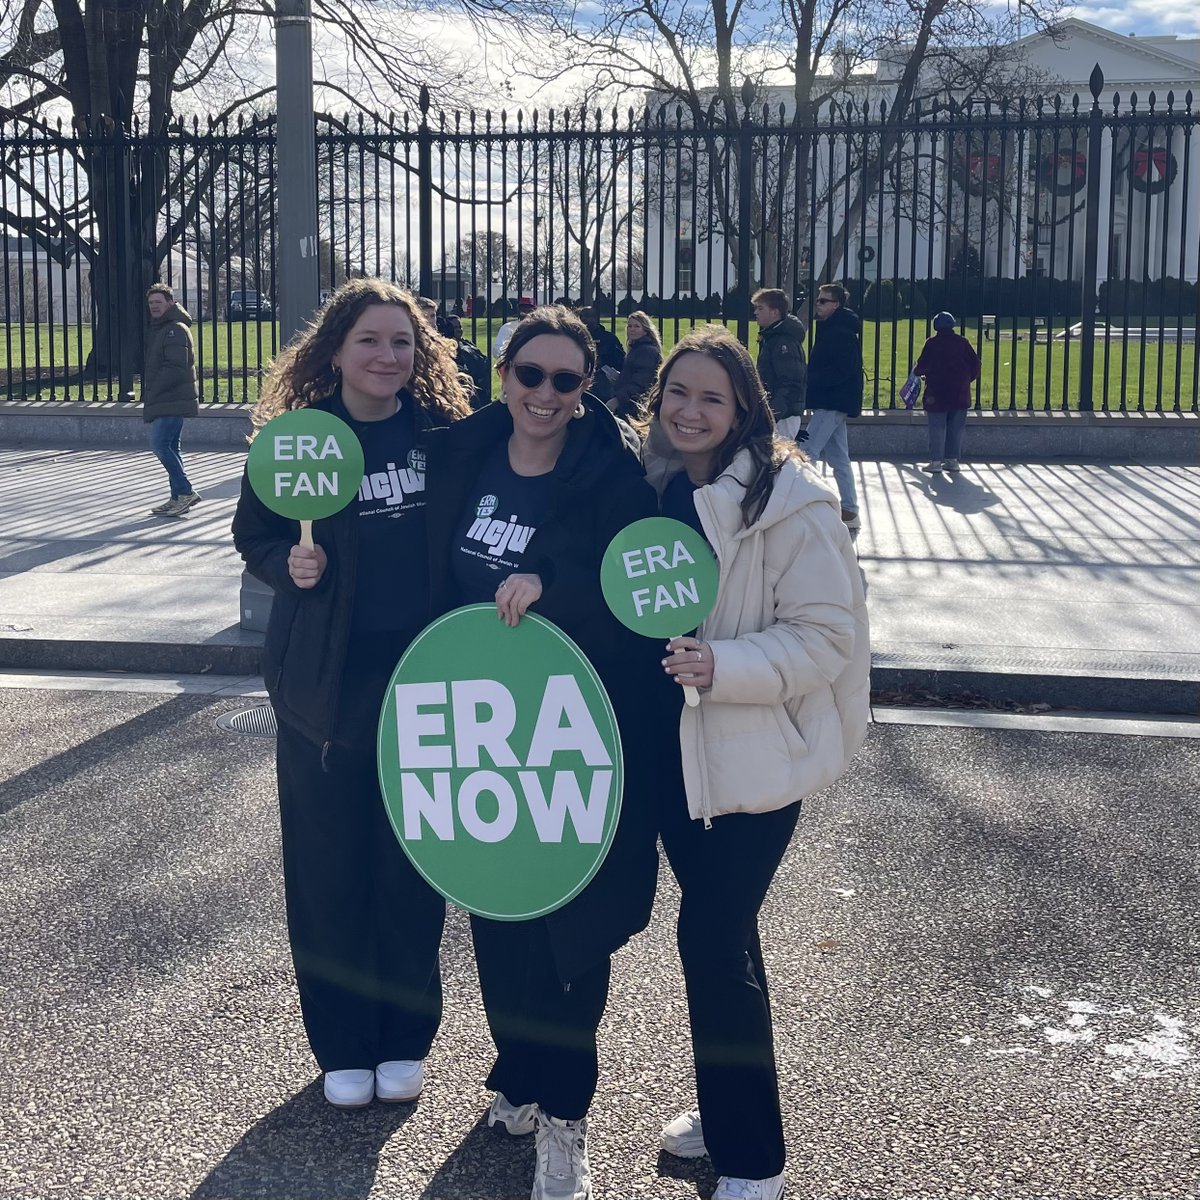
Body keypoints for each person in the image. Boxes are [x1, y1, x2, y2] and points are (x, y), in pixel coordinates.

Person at [425, 305, 665, 1200]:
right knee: (497, 919)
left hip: (578, 735)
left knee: (572, 936)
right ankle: (520, 1071)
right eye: (531, 374)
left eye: (568, 380)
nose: (547, 395)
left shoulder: (611, 473)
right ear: (505, 374)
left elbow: (631, 581)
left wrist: (554, 582)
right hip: (484, 735)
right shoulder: (463, 454)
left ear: (587, 387)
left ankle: (567, 1119)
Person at [231, 279, 471, 1110]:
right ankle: (341, 1043)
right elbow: (253, 533)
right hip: (322, 691)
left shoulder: (443, 438)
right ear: (334, 350)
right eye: (370, 340)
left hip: (427, 684)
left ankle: (406, 1037)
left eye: (403, 342)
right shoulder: (300, 441)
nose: (388, 356)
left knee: (412, 871)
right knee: (330, 874)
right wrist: (282, 567)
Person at [642, 326, 869, 1200]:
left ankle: (751, 1155)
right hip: (679, 762)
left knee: (709, 937)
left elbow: (826, 639)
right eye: (677, 394)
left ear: (744, 408)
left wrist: (720, 668)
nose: (690, 412)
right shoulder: (661, 488)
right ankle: (726, 1099)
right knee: (726, 940)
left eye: (711, 397)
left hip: (753, 763)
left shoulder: (791, 503)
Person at [804, 283, 863, 529]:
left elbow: (840, 371)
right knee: (839, 457)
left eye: (823, 301)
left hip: (832, 400)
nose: (818, 304)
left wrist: (812, 381)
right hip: (835, 400)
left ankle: (807, 505)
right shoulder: (836, 328)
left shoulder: (839, 332)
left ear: (836, 304)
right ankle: (849, 510)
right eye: (818, 300)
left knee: (806, 453)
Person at [142, 283, 201, 517]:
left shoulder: (175, 329)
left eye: (158, 302)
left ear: (170, 303)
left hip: (171, 398)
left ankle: (185, 492)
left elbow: (176, 367)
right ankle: (177, 496)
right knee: (171, 447)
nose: (154, 306)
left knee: (160, 445)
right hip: (168, 398)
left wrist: (154, 390)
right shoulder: (163, 328)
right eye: (151, 303)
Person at [913, 311, 981, 474]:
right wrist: (966, 379)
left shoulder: (932, 344)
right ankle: (952, 460)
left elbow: (922, 367)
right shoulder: (963, 342)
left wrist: (919, 371)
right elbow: (976, 364)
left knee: (937, 427)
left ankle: (936, 461)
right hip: (960, 392)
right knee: (955, 428)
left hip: (937, 393)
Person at [752, 287, 807, 425]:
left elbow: (791, 382)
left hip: (783, 416)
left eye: (760, 308)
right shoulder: (773, 337)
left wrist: (773, 414)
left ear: (774, 312)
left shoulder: (783, 341)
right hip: (779, 413)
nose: (755, 312)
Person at [605, 310, 663, 420]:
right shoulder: (637, 349)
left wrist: (617, 399)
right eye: (630, 326)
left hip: (636, 406)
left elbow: (641, 383)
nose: (632, 329)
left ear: (645, 330)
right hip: (631, 403)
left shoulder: (646, 351)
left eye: (637, 326)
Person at [576, 307, 625, 406]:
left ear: (595, 318)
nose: (584, 320)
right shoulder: (576, 337)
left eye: (587, 316)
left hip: (603, 385)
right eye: (581, 317)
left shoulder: (609, 338)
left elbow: (620, 360)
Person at [446, 312, 491, 407]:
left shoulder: (469, 346)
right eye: (454, 327)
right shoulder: (445, 350)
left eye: (460, 327)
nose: (458, 330)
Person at [493, 296, 535, 361]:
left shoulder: (539, 328)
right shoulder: (508, 327)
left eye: (528, 307)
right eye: (522, 307)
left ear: (534, 310)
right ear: (518, 308)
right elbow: (497, 349)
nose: (525, 309)